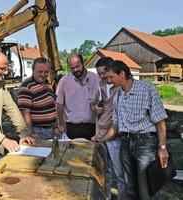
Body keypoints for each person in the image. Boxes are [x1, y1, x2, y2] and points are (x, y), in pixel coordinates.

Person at [94, 60, 169, 199]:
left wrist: (162, 147)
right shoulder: (118, 96)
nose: (108, 81)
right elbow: (115, 127)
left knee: (146, 188)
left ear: (122, 74)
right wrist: (101, 139)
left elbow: (160, 121)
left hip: (145, 143)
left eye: (111, 77)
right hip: (125, 143)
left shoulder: (146, 88)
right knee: (130, 188)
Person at [90, 57, 126, 200]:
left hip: (116, 134)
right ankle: (107, 197)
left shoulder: (120, 85)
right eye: (99, 74)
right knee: (103, 171)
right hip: (100, 132)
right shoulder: (99, 84)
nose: (102, 77)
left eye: (104, 73)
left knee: (120, 173)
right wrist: (95, 107)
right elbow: (92, 102)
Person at [56, 53, 99, 140]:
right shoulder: (64, 81)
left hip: (91, 126)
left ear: (83, 63)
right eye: (72, 68)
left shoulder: (95, 79)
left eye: (77, 66)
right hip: (72, 127)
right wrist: (60, 124)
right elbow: (59, 104)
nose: (75, 70)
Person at [18, 57, 59, 140]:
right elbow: (25, 113)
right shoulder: (26, 86)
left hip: (50, 130)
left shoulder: (48, 84)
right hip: (38, 132)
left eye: (46, 72)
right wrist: (31, 133)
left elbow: (52, 107)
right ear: (33, 70)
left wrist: (55, 127)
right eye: (40, 71)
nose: (43, 74)